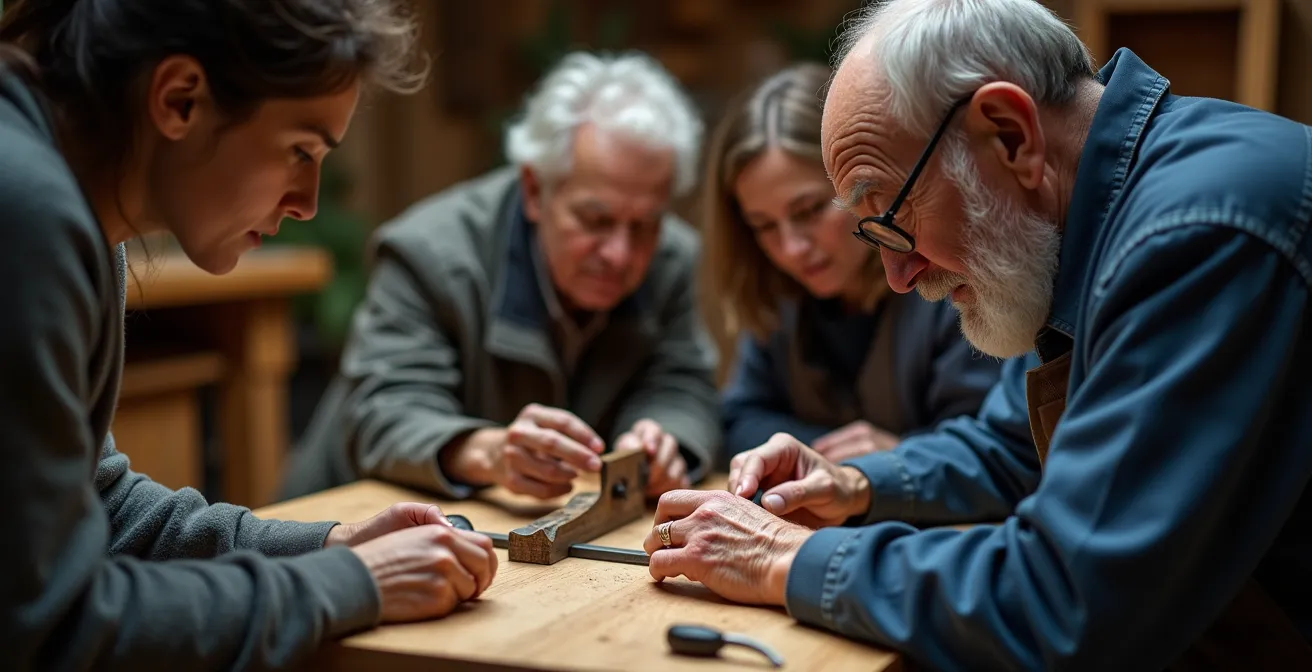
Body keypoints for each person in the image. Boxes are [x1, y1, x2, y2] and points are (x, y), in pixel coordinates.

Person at [640, 0, 1312, 669]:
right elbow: (1007, 447)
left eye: (892, 216)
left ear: (1011, 134)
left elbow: (1065, 602)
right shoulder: (1082, 223)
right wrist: (851, 484)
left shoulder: (1197, 233)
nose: (898, 274)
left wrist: (785, 556)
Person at [0, 1, 501, 669]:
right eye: (301, 150)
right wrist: (354, 584)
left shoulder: (74, 208)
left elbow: (103, 510)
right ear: (179, 99)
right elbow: (46, 626)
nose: (308, 202)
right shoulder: (27, 212)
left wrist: (331, 546)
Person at [282, 51, 720, 503]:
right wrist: (489, 452)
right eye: (595, 219)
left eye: (645, 224)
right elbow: (384, 412)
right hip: (340, 525)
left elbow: (683, 383)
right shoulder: (429, 252)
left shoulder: (672, 256)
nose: (620, 253)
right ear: (534, 189)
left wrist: (664, 440)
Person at [700, 62, 1002, 467]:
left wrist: (896, 457)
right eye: (763, 225)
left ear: (863, 185)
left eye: (808, 211)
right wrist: (830, 457)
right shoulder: (776, 292)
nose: (791, 248)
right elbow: (738, 421)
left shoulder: (947, 276)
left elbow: (999, 447)